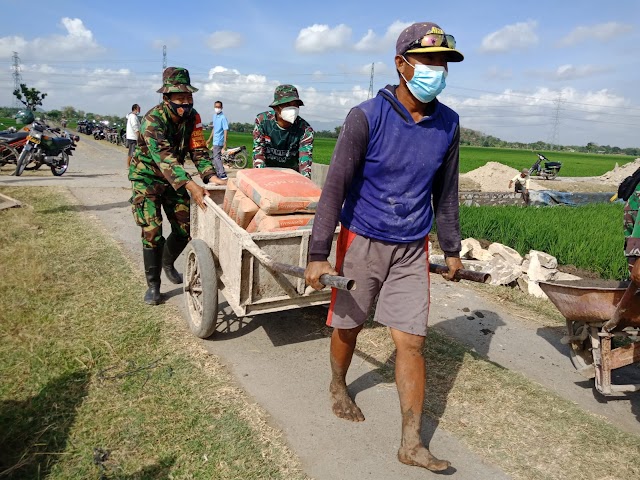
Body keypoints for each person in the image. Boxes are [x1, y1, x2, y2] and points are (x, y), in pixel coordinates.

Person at [304, 22, 464, 472]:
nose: (438, 70)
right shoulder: (366, 116)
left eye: (444, 63)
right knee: (350, 325)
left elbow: (445, 192)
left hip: (412, 245)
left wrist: (450, 247)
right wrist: (318, 254)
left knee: (411, 341)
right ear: (402, 64)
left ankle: (410, 444)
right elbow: (334, 187)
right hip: (362, 238)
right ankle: (338, 384)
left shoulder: (448, 124)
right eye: (430, 60)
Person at [128, 67, 225, 305]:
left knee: (185, 227)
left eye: (188, 97)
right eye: (180, 98)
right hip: (147, 179)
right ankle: (153, 285)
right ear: (166, 98)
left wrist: (211, 177)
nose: (185, 102)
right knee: (152, 232)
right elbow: (165, 157)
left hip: (175, 180)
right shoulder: (152, 120)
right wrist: (192, 185)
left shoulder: (193, 118)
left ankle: (167, 262)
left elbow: (199, 151)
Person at [252, 84, 314, 178]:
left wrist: (305, 181)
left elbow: (305, 160)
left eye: (295, 105)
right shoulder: (263, 122)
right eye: (287, 105)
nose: (293, 109)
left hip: (291, 175)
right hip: (266, 173)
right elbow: (258, 153)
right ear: (276, 108)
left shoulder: (305, 130)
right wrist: (260, 178)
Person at [205, 100, 229, 181]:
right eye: (216, 107)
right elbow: (214, 129)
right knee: (215, 157)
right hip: (215, 140)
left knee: (216, 158)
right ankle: (219, 173)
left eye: (219, 107)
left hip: (219, 140)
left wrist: (225, 142)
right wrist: (209, 139)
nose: (217, 108)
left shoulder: (223, 118)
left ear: (221, 108)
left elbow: (225, 130)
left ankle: (222, 173)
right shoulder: (214, 116)